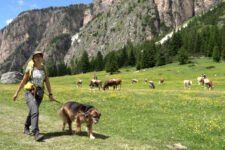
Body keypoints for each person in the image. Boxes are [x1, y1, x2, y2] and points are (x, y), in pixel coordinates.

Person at [13, 51, 54, 142]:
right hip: (29, 92)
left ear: (42, 58)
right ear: (33, 59)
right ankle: (36, 133)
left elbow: (47, 82)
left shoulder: (44, 69)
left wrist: (50, 94)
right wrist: (16, 93)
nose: (38, 58)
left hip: (40, 94)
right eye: (36, 57)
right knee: (35, 110)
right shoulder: (30, 68)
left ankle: (26, 127)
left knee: (33, 111)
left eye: (40, 56)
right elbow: (23, 81)